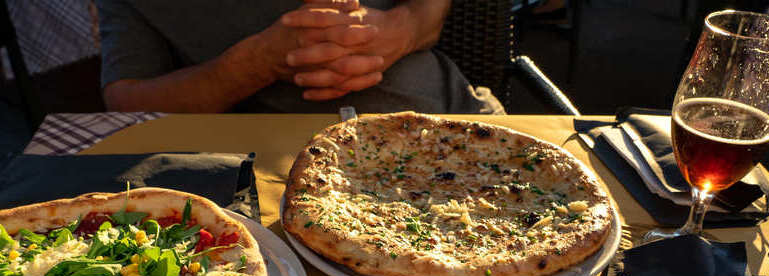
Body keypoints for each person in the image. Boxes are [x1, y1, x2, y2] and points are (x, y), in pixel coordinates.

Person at [95, 0, 502, 114]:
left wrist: (405, 27)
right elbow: (126, 99)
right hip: (260, 179)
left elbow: (432, 10)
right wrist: (258, 62)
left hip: (454, 123)